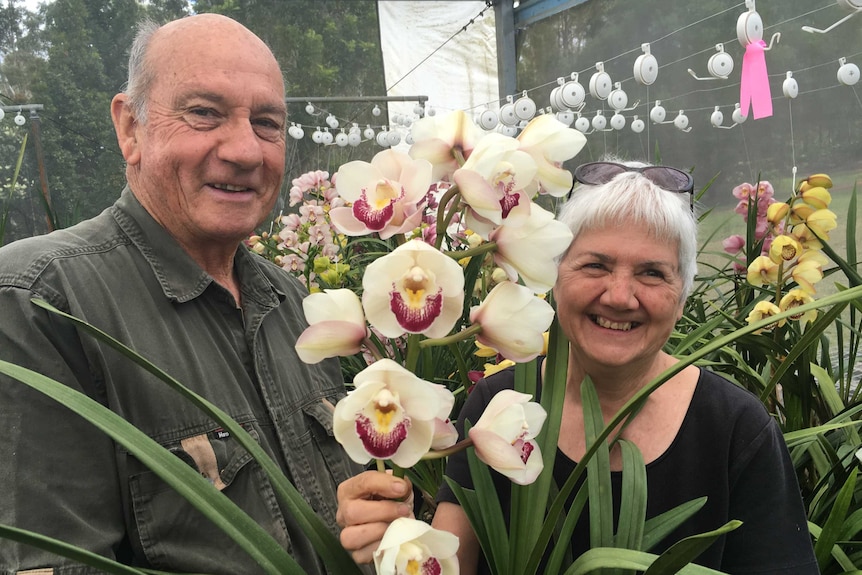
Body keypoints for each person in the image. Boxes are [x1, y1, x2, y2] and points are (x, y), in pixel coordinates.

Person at [0, 14, 369, 575]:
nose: (246, 151)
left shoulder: (294, 304)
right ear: (130, 129)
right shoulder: (43, 302)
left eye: (267, 123)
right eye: (204, 113)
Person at [338, 160, 819, 574]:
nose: (619, 295)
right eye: (594, 265)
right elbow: (450, 563)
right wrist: (393, 540)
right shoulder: (501, 407)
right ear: (554, 275)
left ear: (682, 295)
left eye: (652, 273)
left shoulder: (735, 429)